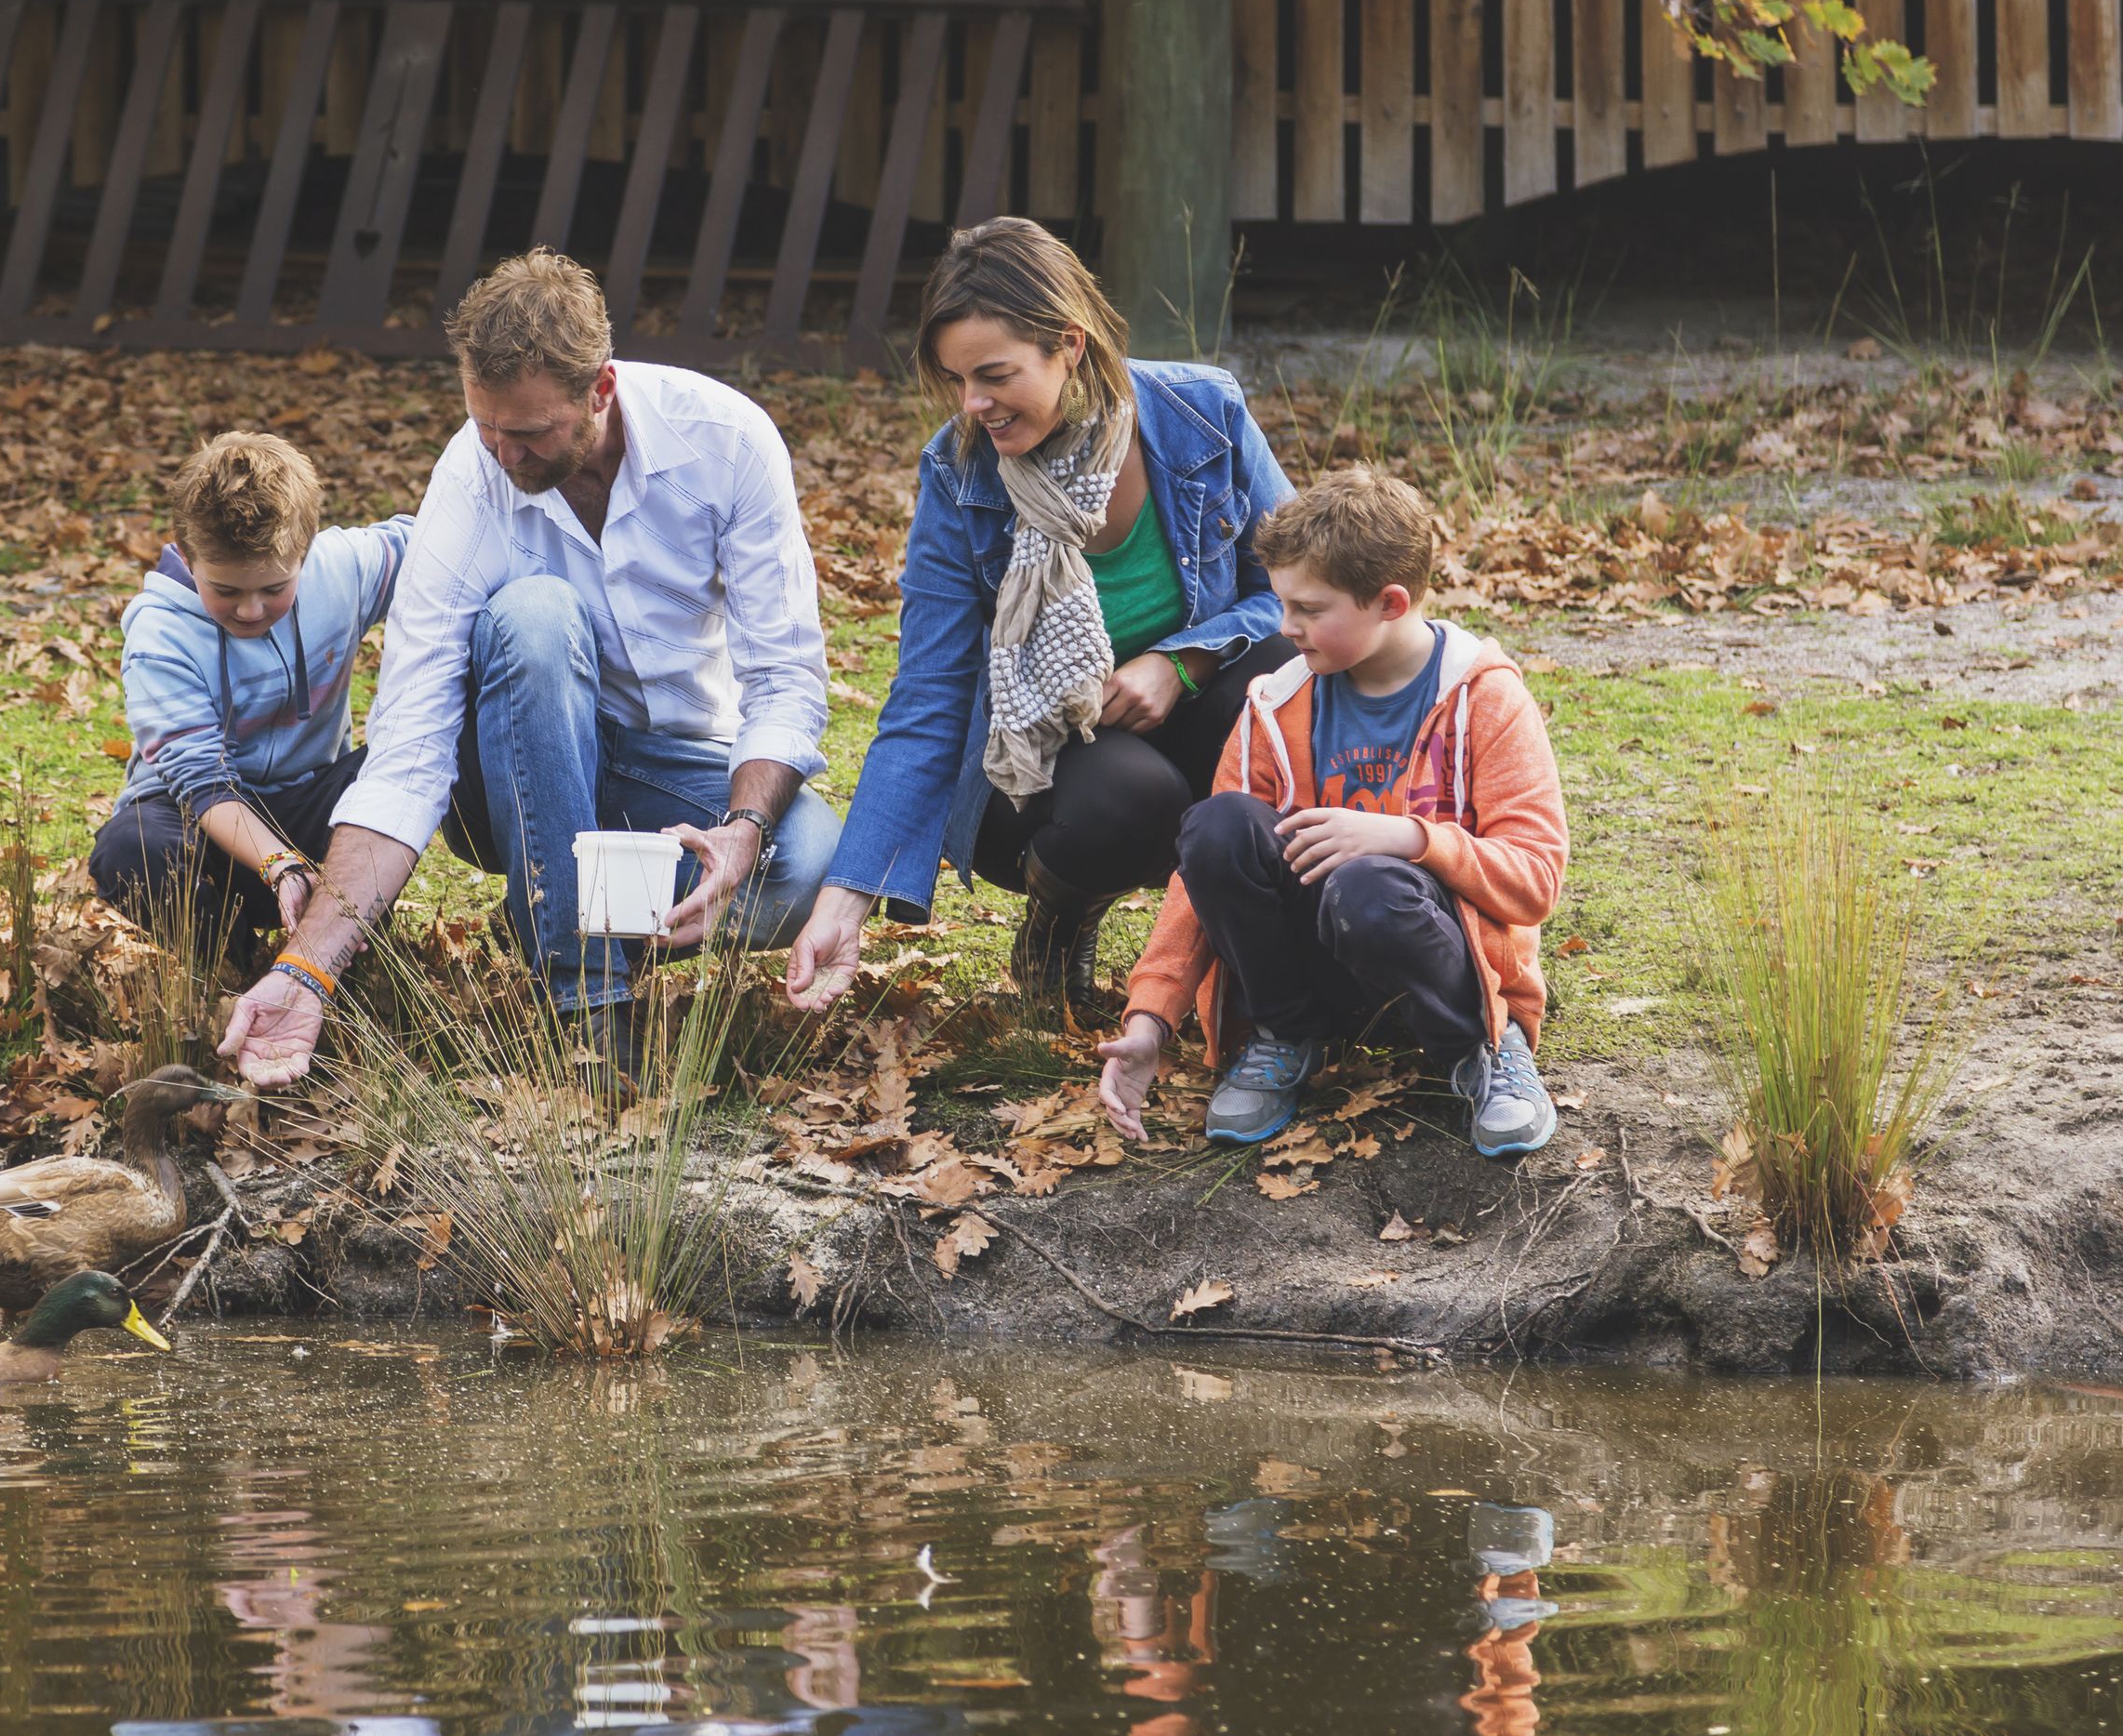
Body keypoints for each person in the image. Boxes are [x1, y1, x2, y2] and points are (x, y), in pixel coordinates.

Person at [216, 249, 842, 1085]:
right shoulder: (470, 481)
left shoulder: (726, 441)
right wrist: (306, 969)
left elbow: (786, 677)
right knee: (535, 614)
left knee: (807, 863)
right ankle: (588, 1011)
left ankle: (552, 912)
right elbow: (409, 750)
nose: (504, 455)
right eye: (486, 428)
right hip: (507, 769)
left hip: (667, 767)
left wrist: (743, 829)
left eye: (529, 432)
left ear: (601, 389)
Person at [787, 219, 1297, 1018]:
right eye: (959, 380)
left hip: (1197, 706)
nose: (974, 405)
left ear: (1070, 343)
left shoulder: (1203, 413)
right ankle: (1061, 918)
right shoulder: (960, 472)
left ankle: (1271, 955)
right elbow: (928, 696)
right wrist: (843, 903)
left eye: (994, 375)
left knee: (1282, 678)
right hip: (1045, 763)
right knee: (1133, 799)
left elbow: (1299, 592)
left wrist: (1182, 662)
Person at [1095, 466, 1570, 1160]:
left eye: (1310, 610)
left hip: (1434, 964)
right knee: (1217, 825)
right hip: (1318, 971)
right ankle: (1287, 1036)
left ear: (1390, 602)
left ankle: (1486, 1050)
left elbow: (1535, 880)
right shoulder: (1275, 703)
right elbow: (1197, 884)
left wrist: (1408, 838)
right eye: (1283, 604)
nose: (1285, 627)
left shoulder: (1485, 699)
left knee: (1367, 884)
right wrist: (1151, 1018)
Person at [90, 432, 413, 975]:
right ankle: (231, 972)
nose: (250, 610)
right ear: (188, 557)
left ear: (304, 552)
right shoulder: (159, 635)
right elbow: (203, 783)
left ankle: (346, 963)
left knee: (405, 766)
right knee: (128, 849)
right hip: (202, 829)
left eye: (274, 588)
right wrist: (279, 865)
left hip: (313, 807)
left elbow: (449, 552)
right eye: (227, 591)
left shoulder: (344, 568)